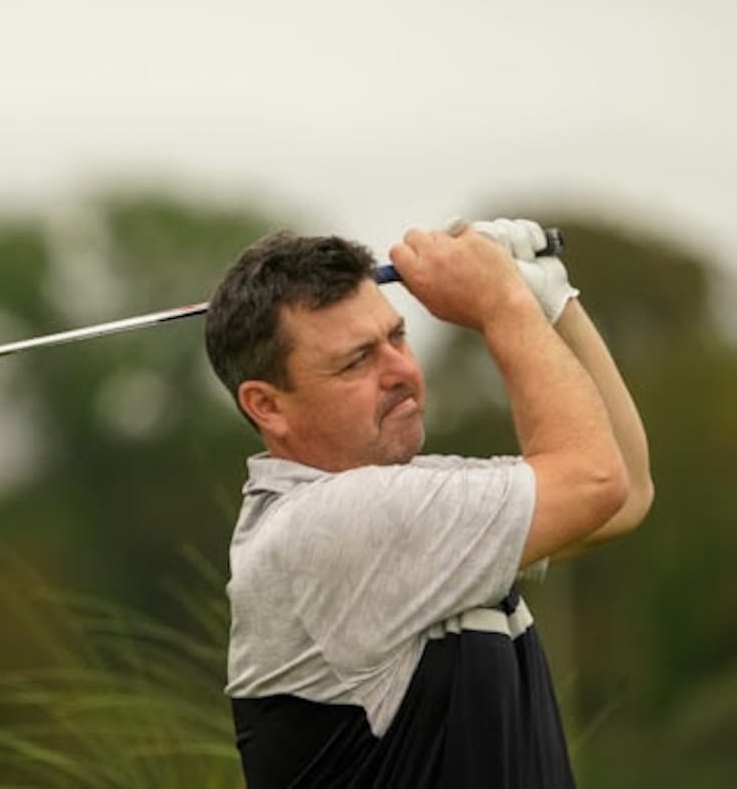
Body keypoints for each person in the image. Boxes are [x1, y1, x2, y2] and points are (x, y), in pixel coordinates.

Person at [203, 219, 653, 788]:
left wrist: (553, 301)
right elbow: (595, 480)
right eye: (356, 361)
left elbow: (623, 492)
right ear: (267, 406)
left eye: (397, 338)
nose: (401, 371)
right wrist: (502, 303)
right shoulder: (329, 526)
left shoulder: (398, 498)